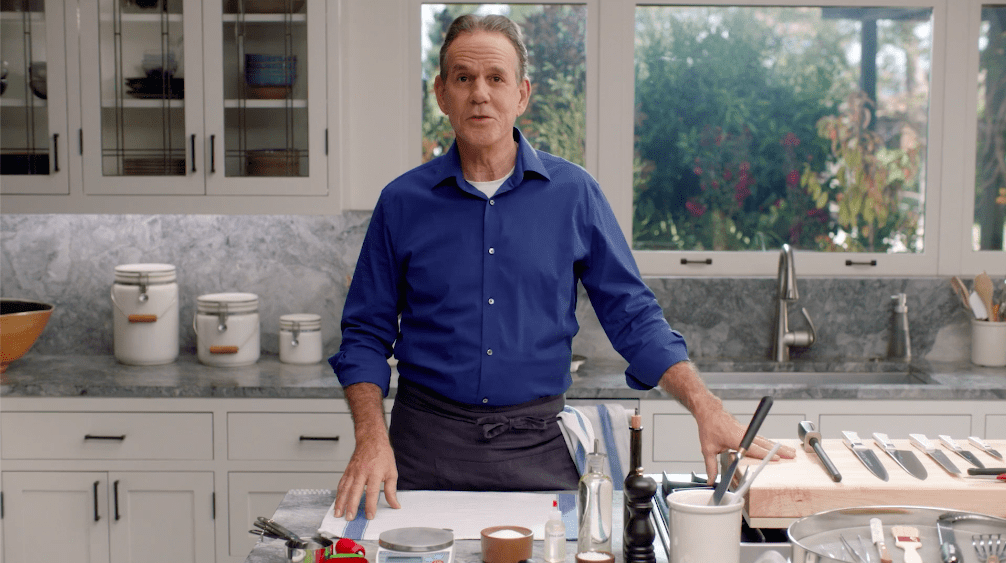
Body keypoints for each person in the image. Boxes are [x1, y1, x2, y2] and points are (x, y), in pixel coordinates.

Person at [329, 13, 795, 521]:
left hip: (537, 451)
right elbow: (365, 334)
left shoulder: (574, 195)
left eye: (495, 78)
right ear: (441, 94)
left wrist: (707, 407)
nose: (479, 93)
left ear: (522, 94)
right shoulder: (401, 202)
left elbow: (632, 315)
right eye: (463, 78)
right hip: (422, 451)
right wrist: (371, 439)